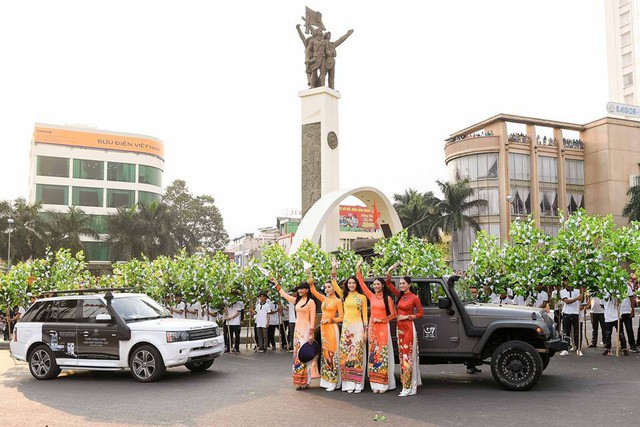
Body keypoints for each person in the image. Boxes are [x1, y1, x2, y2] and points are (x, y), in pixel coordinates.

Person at [356, 260, 397, 394]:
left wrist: (382, 320)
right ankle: (375, 384)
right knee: (373, 355)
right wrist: (358, 269)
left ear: (383, 285)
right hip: (373, 329)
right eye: (374, 284)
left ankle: (384, 384)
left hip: (383, 329)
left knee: (382, 354)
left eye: (378, 284)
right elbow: (361, 284)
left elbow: (393, 315)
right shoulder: (371, 296)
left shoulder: (388, 299)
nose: (376, 286)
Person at [386, 262, 424, 396]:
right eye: (400, 284)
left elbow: (420, 313)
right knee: (402, 356)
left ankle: (409, 387)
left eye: (403, 283)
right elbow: (389, 283)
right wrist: (390, 269)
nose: (401, 285)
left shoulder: (414, 298)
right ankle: (406, 385)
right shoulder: (400, 295)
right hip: (400, 328)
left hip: (408, 328)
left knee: (408, 356)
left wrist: (407, 316)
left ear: (409, 285)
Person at [274, 279, 317, 390]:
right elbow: (284, 294)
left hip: (306, 329)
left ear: (307, 290)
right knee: (297, 355)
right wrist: (276, 284)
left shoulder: (311, 302)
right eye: (299, 288)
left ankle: (306, 381)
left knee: (305, 354)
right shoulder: (297, 301)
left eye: (302, 288)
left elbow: (312, 318)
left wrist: (311, 332)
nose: (300, 290)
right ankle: (298, 380)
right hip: (298, 330)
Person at [308, 262, 344, 392]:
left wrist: (330, 319)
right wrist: (309, 274)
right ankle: (326, 379)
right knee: (324, 354)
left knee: (332, 354)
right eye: (326, 287)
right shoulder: (325, 300)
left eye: (329, 287)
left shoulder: (337, 301)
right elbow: (312, 290)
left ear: (334, 288)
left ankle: (334, 381)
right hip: (323, 330)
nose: (327, 289)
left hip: (332, 328)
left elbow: (342, 317)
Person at [338, 270, 368, 393]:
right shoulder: (344, 296)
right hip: (346, 329)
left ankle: (357, 384)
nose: (351, 285)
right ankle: (348, 384)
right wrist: (334, 268)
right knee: (345, 355)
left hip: (358, 328)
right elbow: (334, 282)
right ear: (347, 285)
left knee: (357, 355)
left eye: (353, 283)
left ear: (357, 284)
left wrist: (366, 331)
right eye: (349, 283)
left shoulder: (362, 298)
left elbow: (365, 315)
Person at [559, 278, 583, 356]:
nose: (567, 282)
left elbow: (581, 301)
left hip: (576, 313)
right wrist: (577, 298)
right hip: (566, 313)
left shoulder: (577, 291)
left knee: (577, 332)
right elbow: (567, 301)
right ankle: (565, 349)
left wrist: (582, 295)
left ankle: (578, 348)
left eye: (569, 280)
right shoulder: (562, 292)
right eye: (566, 281)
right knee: (566, 332)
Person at [619, 277, 638, 353]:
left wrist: (632, 310)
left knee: (629, 330)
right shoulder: (614, 289)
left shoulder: (627, 288)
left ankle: (632, 346)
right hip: (618, 313)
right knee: (620, 331)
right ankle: (623, 346)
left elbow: (632, 299)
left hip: (627, 312)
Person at [287, 287, 297, 352]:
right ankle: (291, 346)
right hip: (291, 319)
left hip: (298, 320)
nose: (293, 293)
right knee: (291, 333)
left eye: (295, 292)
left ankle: (297, 346)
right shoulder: (289, 300)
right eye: (293, 292)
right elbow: (287, 308)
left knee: (297, 334)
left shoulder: (300, 300)